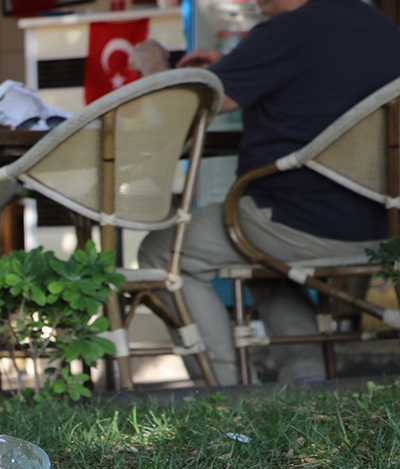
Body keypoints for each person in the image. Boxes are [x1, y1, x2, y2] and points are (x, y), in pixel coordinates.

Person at [137, 0, 400, 385]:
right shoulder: (381, 27)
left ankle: (223, 389)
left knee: (162, 250)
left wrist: (152, 65)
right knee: (258, 256)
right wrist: (234, 61)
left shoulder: (283, 33)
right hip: (382, 224)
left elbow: (188, 110)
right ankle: (308, 382)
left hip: (294, 221)